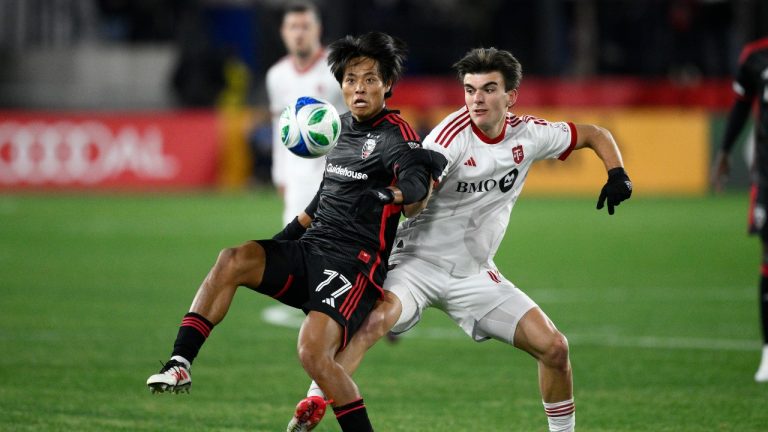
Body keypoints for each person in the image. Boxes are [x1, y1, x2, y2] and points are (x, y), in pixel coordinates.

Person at [287, 47, 633, 432]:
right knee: (375, 322)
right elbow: (418, 189)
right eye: (469, 90)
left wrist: (617, 173)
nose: (476, 99)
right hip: (415, 262)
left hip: (473, 274)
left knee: (554, 348)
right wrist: (409, 197)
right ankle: (315, 400)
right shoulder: (450, 137)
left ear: (510, 96)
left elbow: (595, 134)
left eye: (487, 89)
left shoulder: (530, 134)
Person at [147, 31, 446, 432]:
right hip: (312, 248)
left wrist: (386, 194)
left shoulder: (396, 136)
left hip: (353, 266)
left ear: (387, 85)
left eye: (370, 79)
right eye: (352, 79)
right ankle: (180, 362)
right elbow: (321, 201)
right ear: (341, 85)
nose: (359, 88)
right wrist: (281, 240)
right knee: (233, 259)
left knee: (312, 354)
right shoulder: (335, 130)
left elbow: (414, 185)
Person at [710, 36, 768, 382]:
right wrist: (725, 152)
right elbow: (742, 105)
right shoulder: (755, 56)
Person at [266, 1, 346, 225]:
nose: (299, 33)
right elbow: (278, 126)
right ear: (284, 32)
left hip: (337, 173)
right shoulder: (277, 75)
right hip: (297, 175)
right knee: (295, 247)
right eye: (293, 27)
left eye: (305, 26)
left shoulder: (338, 67)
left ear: (317, 30)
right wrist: (279, 174)